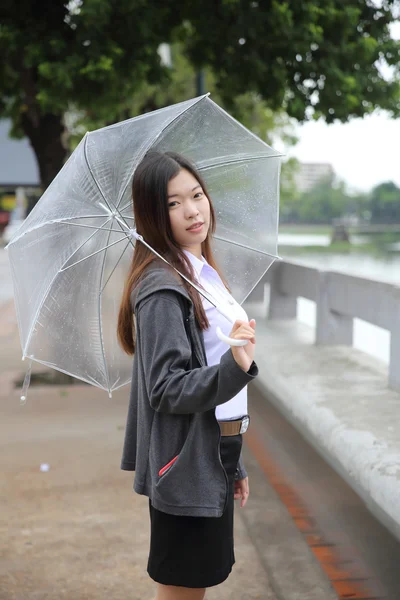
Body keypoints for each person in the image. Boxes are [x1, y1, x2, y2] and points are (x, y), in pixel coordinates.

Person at [117, 150, 258, 600]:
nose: (192, 210)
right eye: (173, 203)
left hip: (212, 454)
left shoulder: (200, 273)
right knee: (183, 588)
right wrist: (235, 366)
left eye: (196, 194)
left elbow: (216, 383)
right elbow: (166, 387)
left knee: (195, 583)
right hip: (184, 464)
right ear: (154, 216)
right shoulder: (162, 287)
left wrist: (233, 459)